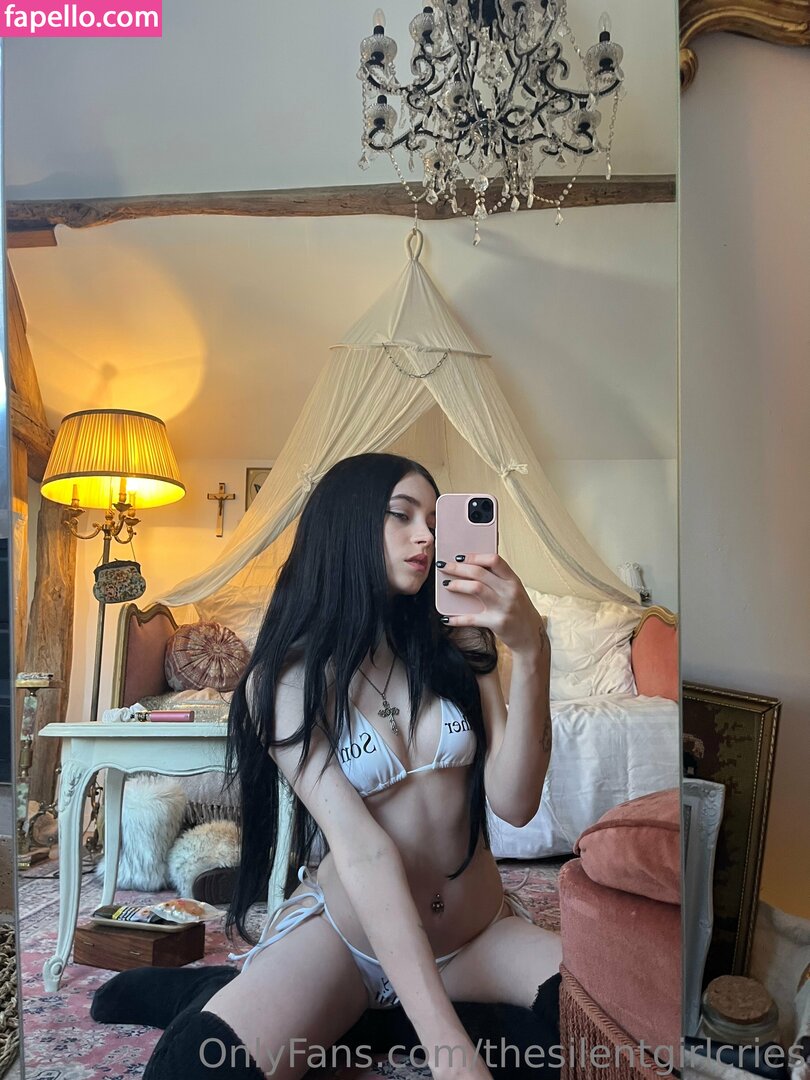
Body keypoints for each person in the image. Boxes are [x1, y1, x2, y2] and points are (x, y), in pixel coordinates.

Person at [139, 453, 560, 1079]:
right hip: (349, 944)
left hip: (476, 937)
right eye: (401, 516)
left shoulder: (460, 644)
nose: (426, 536)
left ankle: (378, 1021)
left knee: (615, 1028)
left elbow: (515, 803)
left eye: (434, 521)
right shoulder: (285, 682)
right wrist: (448, 1051)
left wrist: (530, 652)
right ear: (347, 524)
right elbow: (363, 850)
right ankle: (325, 1004)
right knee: (191, 1069)